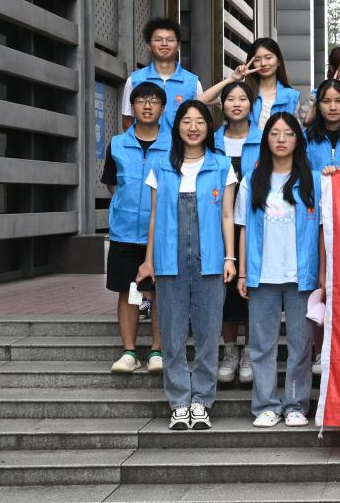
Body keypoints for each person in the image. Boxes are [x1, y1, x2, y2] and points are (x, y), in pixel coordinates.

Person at [137, 100, 238, 431]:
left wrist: (229, 258)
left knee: (208, 334)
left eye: (200, 121)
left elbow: (227, 216)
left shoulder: (222, 165)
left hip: (211, 259)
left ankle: (202, 401)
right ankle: (179, 402)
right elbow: (154, 217)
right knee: (173, 334)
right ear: (177, 126)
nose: (193, 127)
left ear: (209, 127)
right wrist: (149, 261)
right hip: (169, 259)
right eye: (186, 121)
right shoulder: (162, 165)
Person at [234, 113, 324, 428]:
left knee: (301, 346)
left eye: (288, 133)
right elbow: (243, 228)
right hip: (262, 275)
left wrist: (322, 275)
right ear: (266, 139)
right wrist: (243, 273)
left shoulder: (314, 181)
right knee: (262, 346)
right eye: (275, 133)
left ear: (298, 139)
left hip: (302, 277)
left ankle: (296, 405)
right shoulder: (252, 180)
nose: (281, 139)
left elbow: (323, 230)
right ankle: (266, 405)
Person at [101, 82, 169, 374]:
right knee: (126, 292)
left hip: (163, 231)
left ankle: (157, 350)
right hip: (125, 232)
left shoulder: (173, 144)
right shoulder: (117, 144)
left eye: (154, 101)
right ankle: (129, 352)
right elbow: (112, 183)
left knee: (162, 292)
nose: (147, 105)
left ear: (163, 108)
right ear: (133, 107)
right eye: (141, 100)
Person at [211, 81, 262, 385]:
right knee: (226, 288)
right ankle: (229, 351)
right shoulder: (212, 140)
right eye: (230, 99)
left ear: (251, 105)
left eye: (243, 98)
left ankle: (249, 352)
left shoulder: (263, 138)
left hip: (255, 221)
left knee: (252, 287)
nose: (237, 103)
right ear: (223, 105)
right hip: (218, 222)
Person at [199, 38, 301, 130]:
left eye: (268, 58)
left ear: (278, 61)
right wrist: (232, 79)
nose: (263, 63)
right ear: (252, 64)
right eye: (257, 59)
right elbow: (202, 101)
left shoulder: (292, 96)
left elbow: (297, 134)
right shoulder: (242, 92)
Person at [122, 18, 202, 130]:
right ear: (149, 45)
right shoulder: (134, 80)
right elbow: (127, 122)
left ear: (178, 45)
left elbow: (199, 122)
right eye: (158, 39)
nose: (164, 44)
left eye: (170, 40)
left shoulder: (193, 83)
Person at [305, 79, 340, 170]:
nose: (333, 107)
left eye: (339, 101)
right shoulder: (306, 137)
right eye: (326, 101)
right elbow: (300, 172)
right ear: (318, 105)